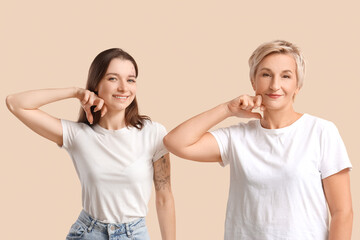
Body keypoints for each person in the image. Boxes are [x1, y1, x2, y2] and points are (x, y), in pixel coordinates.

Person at [163, 40, 352, 240]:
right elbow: (175, 142)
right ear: (253, 82)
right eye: (266, 74)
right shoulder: (236, 137)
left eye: (286, 76)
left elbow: (342, 213)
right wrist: (227, 109)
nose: (275, 85)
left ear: (298, 85)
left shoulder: (321, 132)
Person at [6, 48, 176, 240]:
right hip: (89, 233)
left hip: (135, 234)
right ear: (96, 84)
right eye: (113, 78)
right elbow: (15, 103)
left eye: (130, 79)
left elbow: (164, 197)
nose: (123, 88)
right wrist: (76, 92)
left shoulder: (153, 133)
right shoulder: (77, 135)